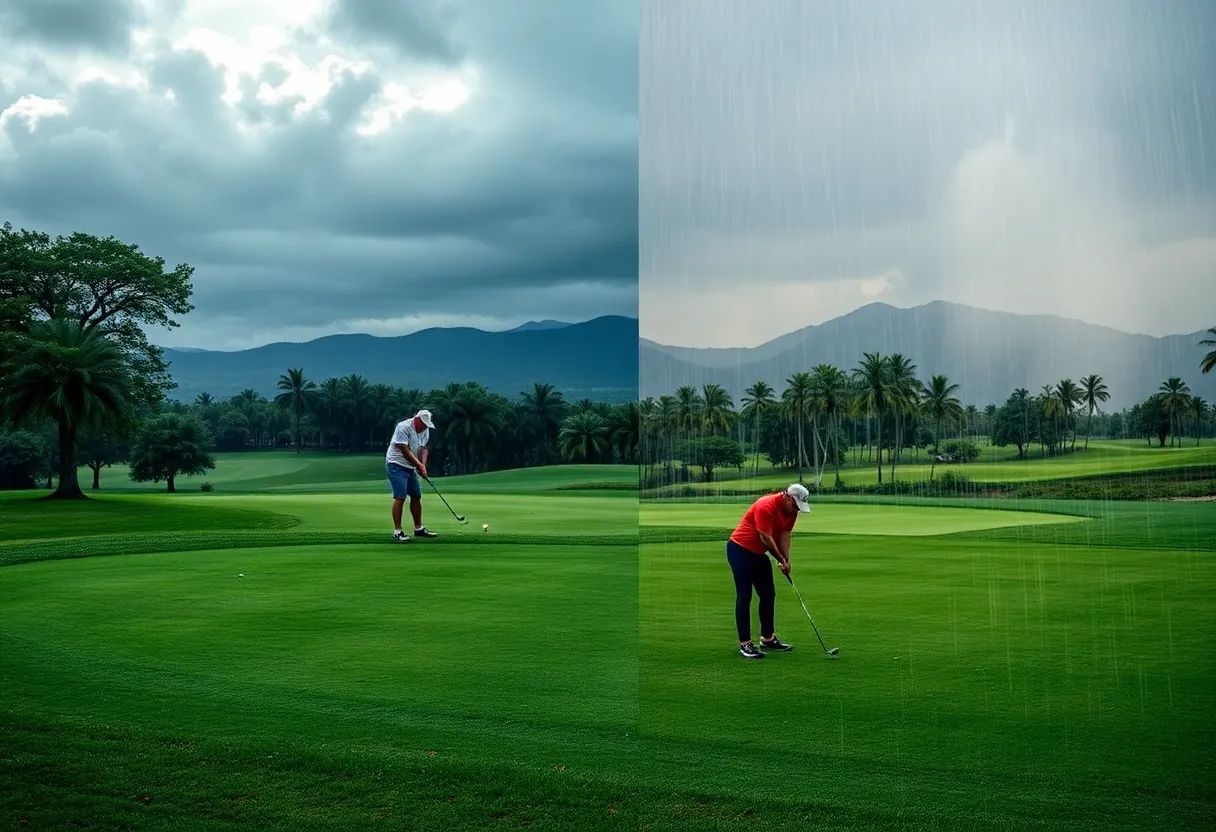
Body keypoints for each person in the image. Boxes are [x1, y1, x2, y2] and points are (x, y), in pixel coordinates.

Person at [726, 483, 811, 658]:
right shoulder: (766, 504)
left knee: (768, 593)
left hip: (758, 553)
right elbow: (765, 537)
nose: (796, 509)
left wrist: (786, 561)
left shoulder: (791, 512)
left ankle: (767, 638)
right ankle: (745, 644)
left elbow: (785, 535)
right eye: (795, 504)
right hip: (740, 549)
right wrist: (780, 559)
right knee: (745, 595)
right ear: (787, 496)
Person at [385, 409, 437, 542]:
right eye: (423, 424)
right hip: (396, 464)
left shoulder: (425, 430)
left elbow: (423, 449)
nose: (424, 427)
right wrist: (418, 464)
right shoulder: (403, 427)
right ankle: (398, 531)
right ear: (416, 419)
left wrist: (422, 465)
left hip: (410, 466)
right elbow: (404, 449)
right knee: (400, 496)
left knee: (416, 495)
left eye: (426, 425)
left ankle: (418, 529)